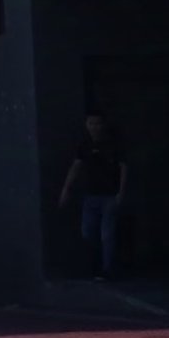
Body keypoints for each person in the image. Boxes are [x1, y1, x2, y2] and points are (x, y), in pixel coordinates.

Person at [57, 114, 129, 279]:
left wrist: (121, 192)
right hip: (90, 196)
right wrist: (66, 189)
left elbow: (123, 167)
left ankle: (107, 270)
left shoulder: (113, 144)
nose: (94, 127)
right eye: (91, 123)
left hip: (110, 196)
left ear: (103, 125)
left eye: (97, 123)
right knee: (87, 232)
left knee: (107, 235)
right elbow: (76, 166)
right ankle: (98, 266)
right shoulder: (85, 145)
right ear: (86, 125)